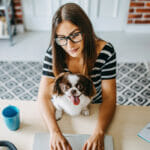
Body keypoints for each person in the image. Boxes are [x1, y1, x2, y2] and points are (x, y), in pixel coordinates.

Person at [38, 3, 116, 150]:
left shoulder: (106, 52)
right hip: (62, 106)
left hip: (93, 107)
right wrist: (54, 132)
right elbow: (43, 96)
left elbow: (110, 98)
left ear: (86, 30)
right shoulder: (53, 52)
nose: (69, 45)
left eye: (75, 35)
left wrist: (99, 133)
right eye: (62, 38)